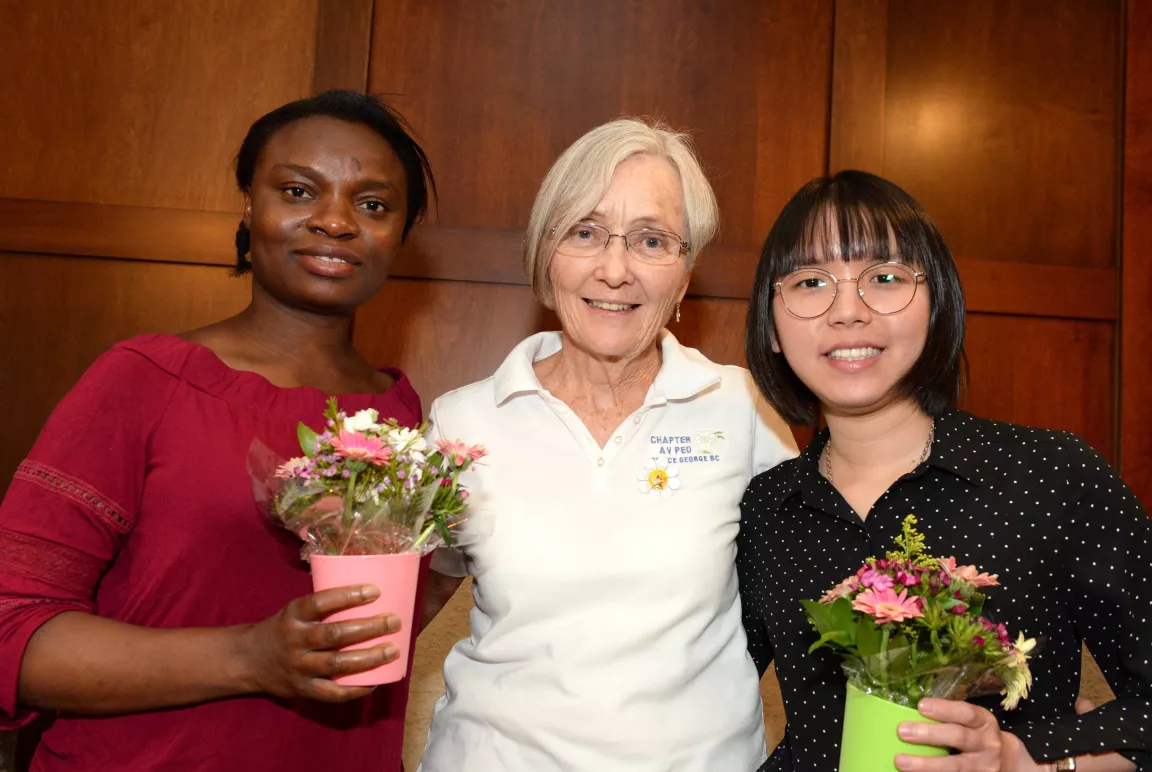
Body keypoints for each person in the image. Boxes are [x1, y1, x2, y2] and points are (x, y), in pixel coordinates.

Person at [0, 90, 456, 771]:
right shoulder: (146, 380)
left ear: (401, 232)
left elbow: (367, 630)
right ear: (250, 204)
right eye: (299, 190)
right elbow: (13, 630)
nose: (334, 221)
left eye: (373, 204)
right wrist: (250, 656)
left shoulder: (401, 416)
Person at [417, 118, 797, 771]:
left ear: (683, 276)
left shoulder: (743, 410)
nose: (614, 270)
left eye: (651, 240)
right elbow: (405, 601)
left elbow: (810, 607)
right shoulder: (463, 422)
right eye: (585, 233)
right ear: (544, 255)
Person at [738, 170, 1151, 771]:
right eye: (809, 281)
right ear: (771, 325)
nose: (848, 312)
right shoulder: (763, 511)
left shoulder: (1051, 476)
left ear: (936, 305)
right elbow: (694, 697)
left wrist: (1026, 760)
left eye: (884, 278)